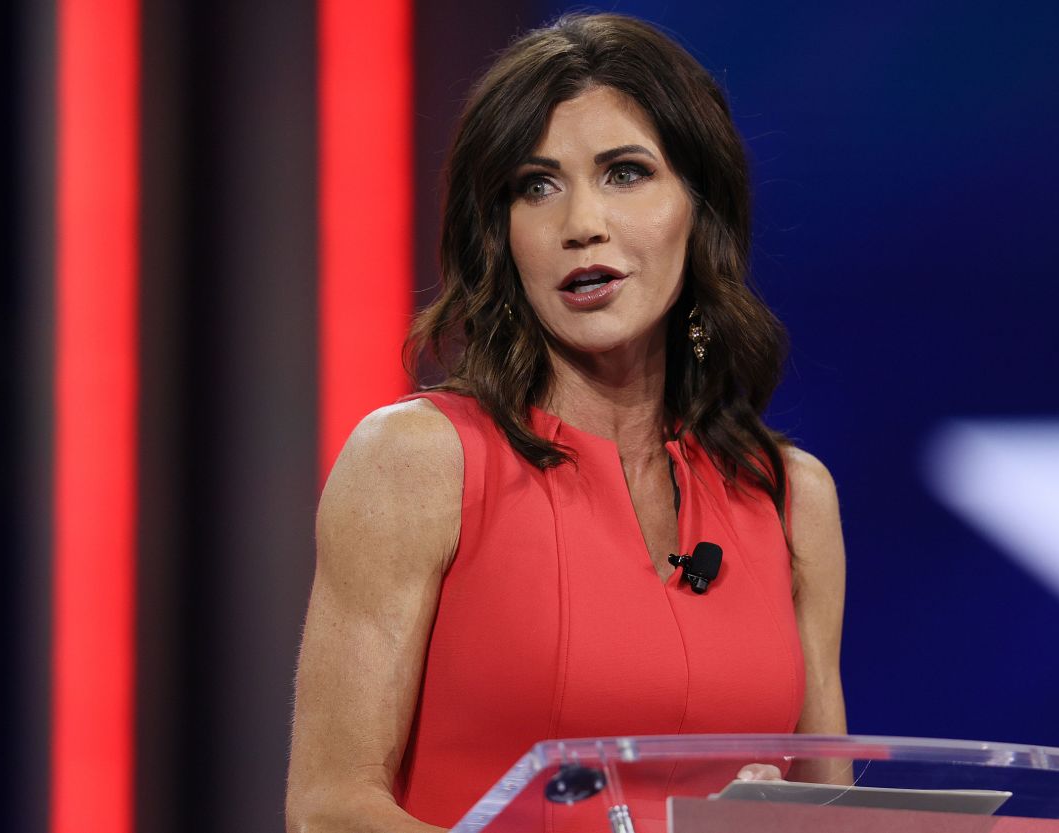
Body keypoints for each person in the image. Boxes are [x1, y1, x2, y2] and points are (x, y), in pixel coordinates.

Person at [286, 12, 846, 833]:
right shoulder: (416, 461)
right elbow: (329, 809)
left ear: (699, 208)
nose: (581, 222)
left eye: (625, 173)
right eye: (535, 185)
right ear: (500, 234)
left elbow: (830, 811)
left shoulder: (790, 497)